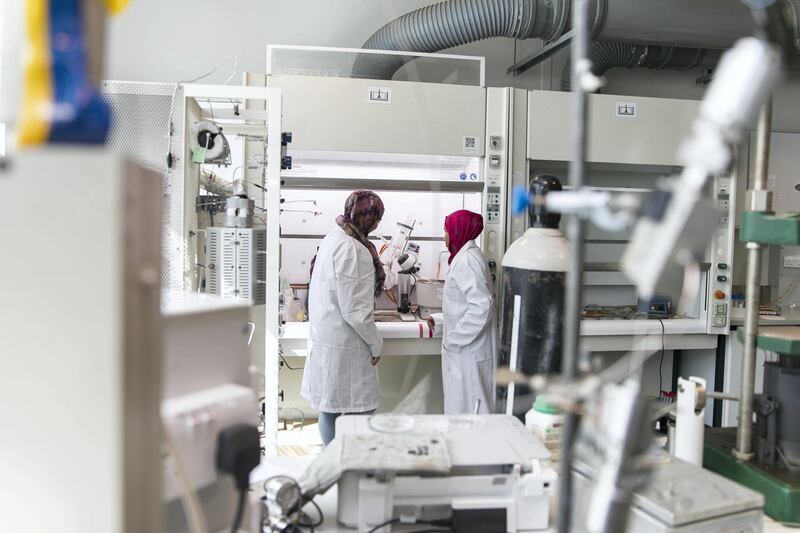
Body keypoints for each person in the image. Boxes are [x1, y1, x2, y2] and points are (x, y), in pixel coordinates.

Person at [301, 190, 385, 445]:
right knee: (359, 410)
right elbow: (356, 311)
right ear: (367, 218)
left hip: (329, 337)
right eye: (377, 218)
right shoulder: (354, 249)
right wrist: (376, 343)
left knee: (331, 407)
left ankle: (334, 462)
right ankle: (346, 464)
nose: (378, 224)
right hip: (345, 343)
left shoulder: (335, 237)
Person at [441, 210, 496, 415]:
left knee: (470, 416)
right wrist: (439, 321)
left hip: (468, 352)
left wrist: (454, 339)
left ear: (458, 230)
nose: (444, 236)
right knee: (464, 414)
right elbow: (460, 305)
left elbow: (482, 306)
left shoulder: (467, 260)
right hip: (466, 351)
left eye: (446, 230)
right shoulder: (465, 257)